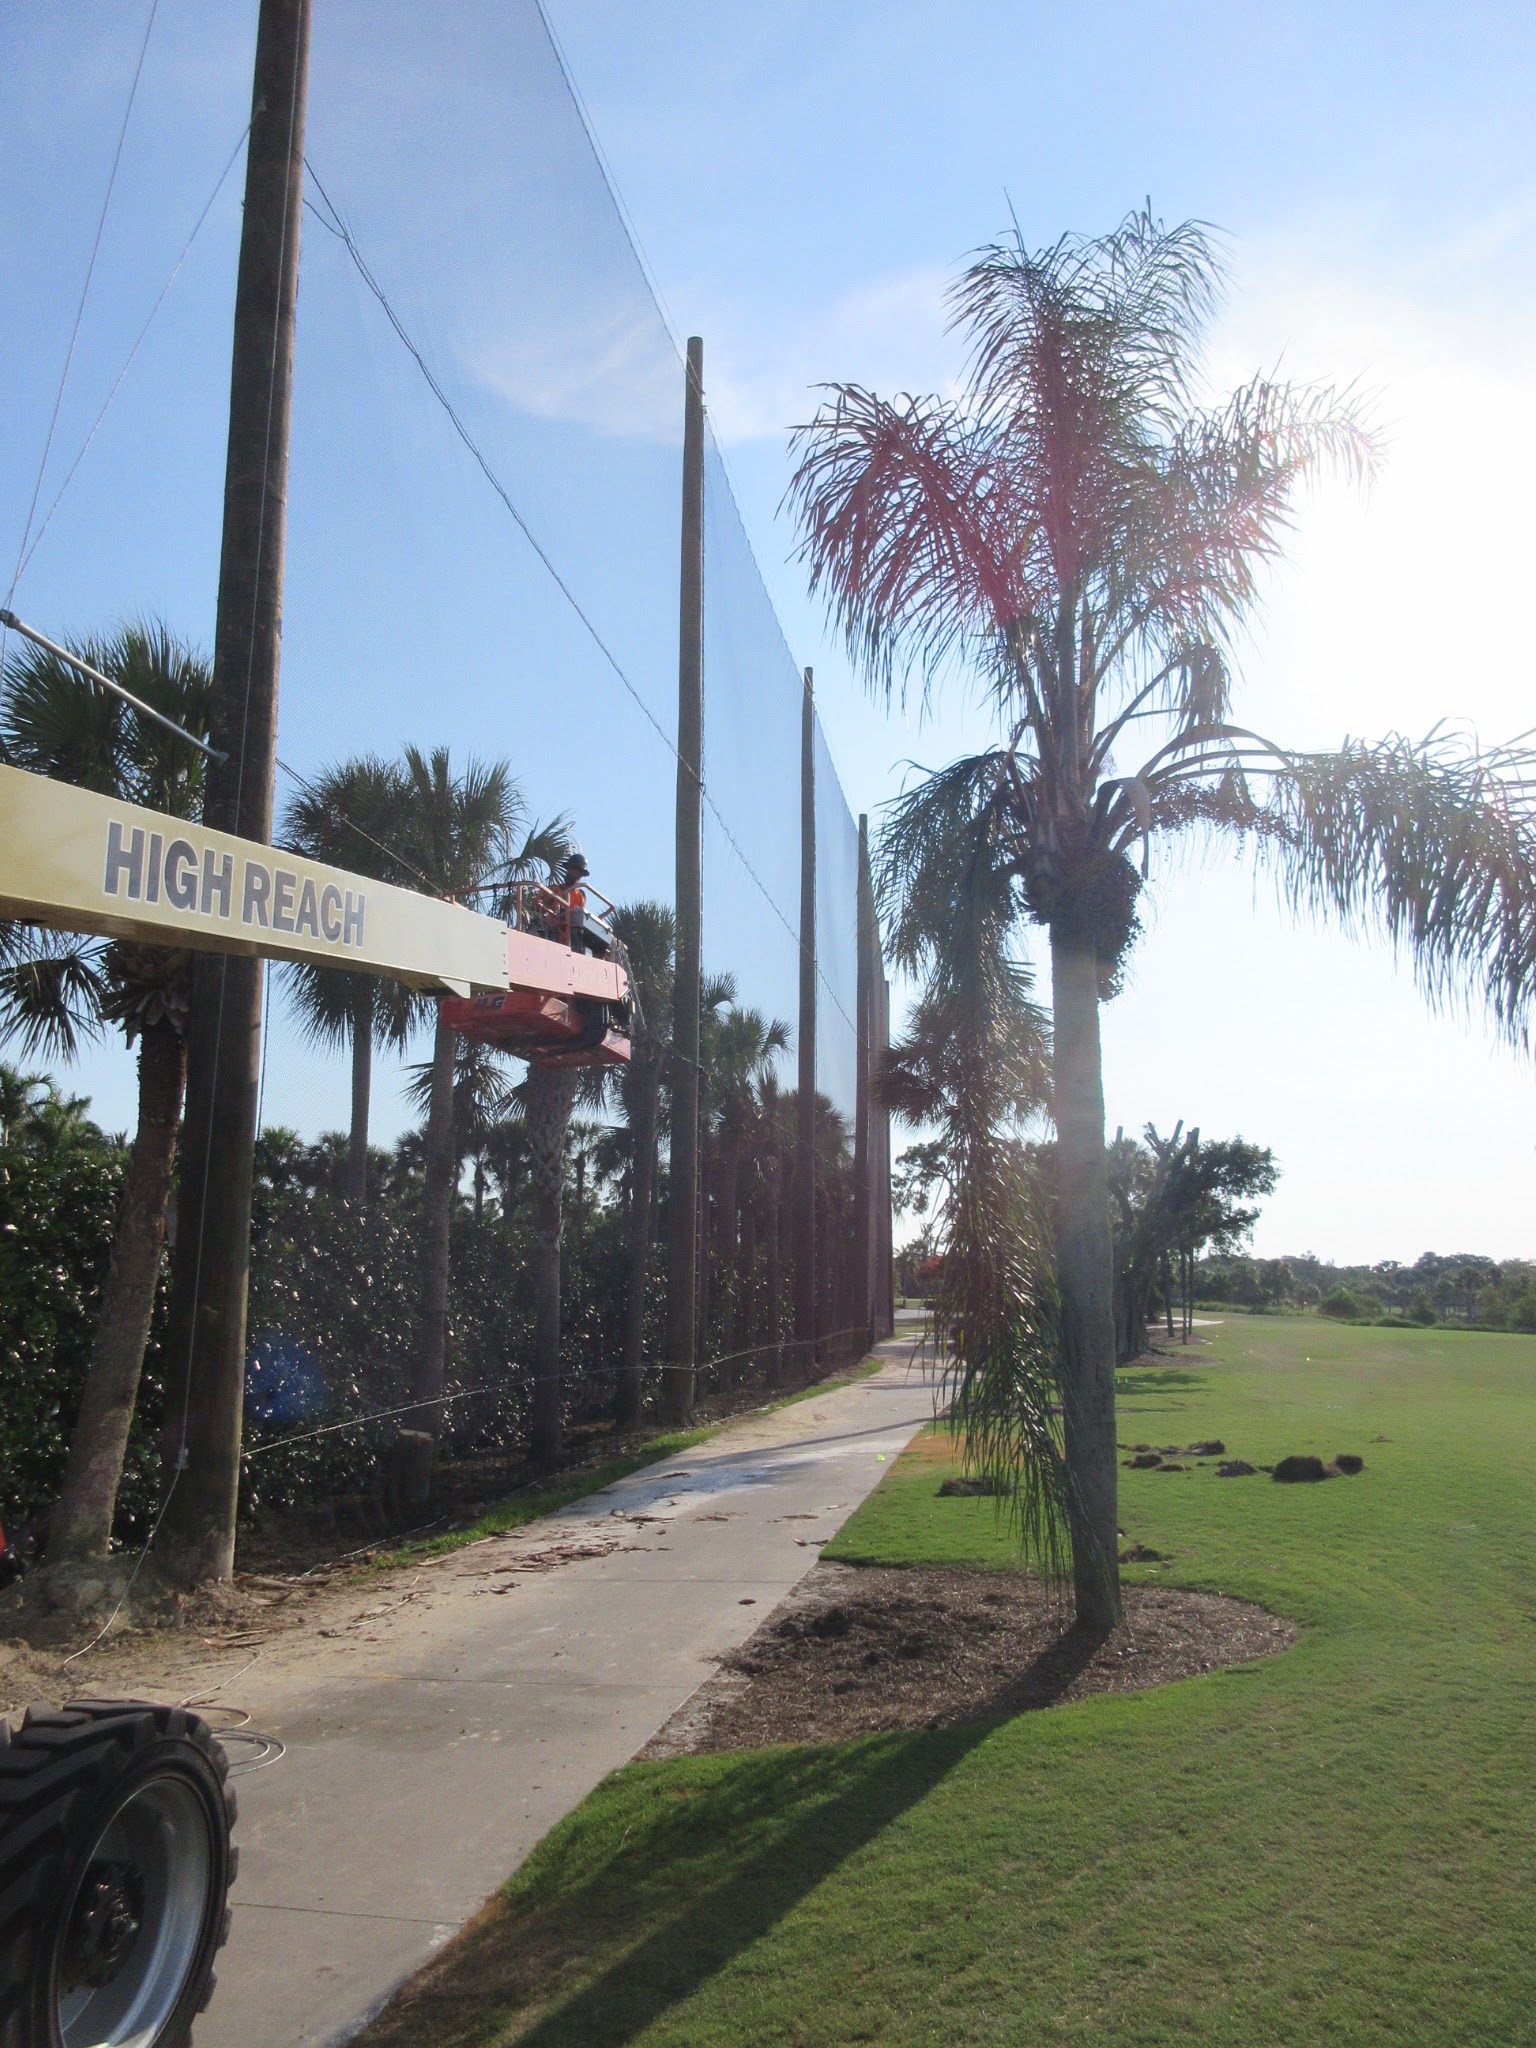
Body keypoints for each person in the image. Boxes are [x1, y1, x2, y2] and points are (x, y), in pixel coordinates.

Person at [557, 852, 590, 951]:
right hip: (555, 931)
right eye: (569, 869)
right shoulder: (557, 889)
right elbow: (538, 906)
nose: (570, 872)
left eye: (574, 869)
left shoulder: (581, 895)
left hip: (574, 934)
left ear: (581, 874)